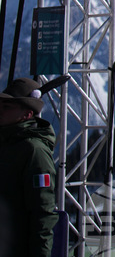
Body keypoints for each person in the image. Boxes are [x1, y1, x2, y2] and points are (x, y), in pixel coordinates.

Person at [0, 77, 59, 257]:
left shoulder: (34, 151)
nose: (0, 110)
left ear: (27, 114)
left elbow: (42, 213)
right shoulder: (6, 144)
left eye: (6, 107)